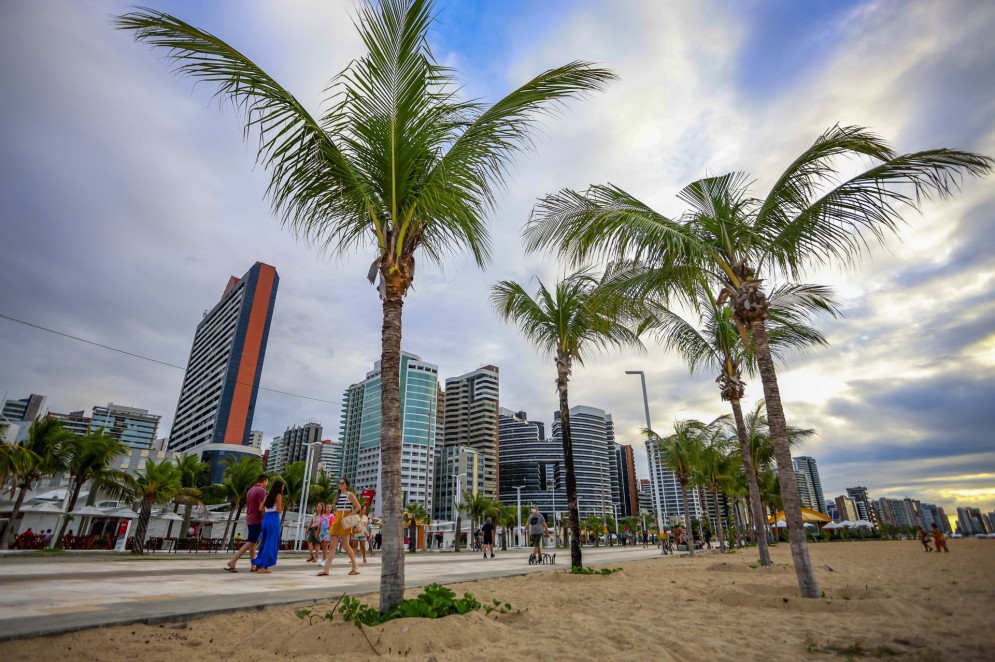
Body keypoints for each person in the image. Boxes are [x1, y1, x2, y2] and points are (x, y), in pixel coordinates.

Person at [317, 478, 361, 576]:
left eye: (342, 483)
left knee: (345, 545)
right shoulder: (338, 496)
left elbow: (358, 506)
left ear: (346, 485)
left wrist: (350, 515)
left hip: (344, 519)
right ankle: (326, 569)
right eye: (339, 483)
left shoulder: (350, 495)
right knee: (332, 546)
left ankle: (355, 566)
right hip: (337, 519)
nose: (340, 484)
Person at [225, 474, 268, 573]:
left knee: (252, 543)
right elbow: (262, 508)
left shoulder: (250, 490)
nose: (267, 484)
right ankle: (233, 561)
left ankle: (253, 565)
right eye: (267, 482)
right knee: (251, 542)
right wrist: (263, 520)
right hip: (256, 519)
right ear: (264, 481)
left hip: (249, 518)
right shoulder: (261, 491)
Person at [252, 479, 285, 573]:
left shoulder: (268, 495)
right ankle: (263, 567)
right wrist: (281, 507)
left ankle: (260, 564)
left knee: (265, 542)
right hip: (273, 519)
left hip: (266, 518)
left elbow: (260, 508)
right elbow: (279, 509)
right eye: (283, 487)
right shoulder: (278, 495)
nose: (283, 488)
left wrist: (268, 509)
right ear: (280, 487)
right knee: (271, 543)